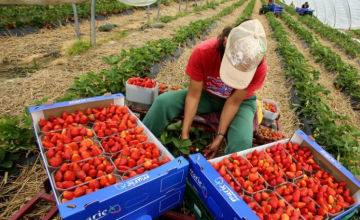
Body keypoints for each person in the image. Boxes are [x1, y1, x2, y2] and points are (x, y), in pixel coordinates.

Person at [142, 19, 268, 159]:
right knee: (163, 102)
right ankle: (140, 145)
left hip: (240, 103)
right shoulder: (204, 52)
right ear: (226, 42)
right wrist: (185, 134)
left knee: (242, 142)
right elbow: (194, 95)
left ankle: (225, 177)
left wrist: (220, 137)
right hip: (207, 95)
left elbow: (233, 102)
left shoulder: (259, 66)